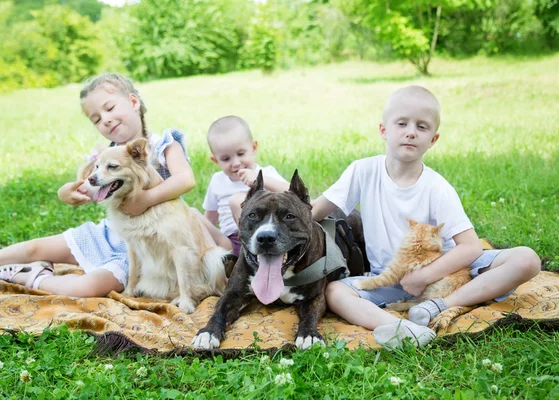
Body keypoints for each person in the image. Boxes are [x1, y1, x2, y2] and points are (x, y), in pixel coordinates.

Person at [311, 85, 541, 349]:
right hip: (392, 279)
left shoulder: (436, 187)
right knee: (335, 292)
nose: (411, 131)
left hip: (448, 270)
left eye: (422, 127)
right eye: (402, 123)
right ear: (383, 130)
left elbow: (471, 246)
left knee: (527, 260)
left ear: (433, 139)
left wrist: (424, 277)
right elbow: (316, 210)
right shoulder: (363, 171)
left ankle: (437, 307)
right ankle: (406, 329)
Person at [0, 73, 227, 297]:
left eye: (110, 108)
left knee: (86, 287)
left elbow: (185, 180)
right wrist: (66, 192)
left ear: (133, 102)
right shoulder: (104, 156)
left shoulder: (163, 144)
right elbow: (85, 187)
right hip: (110, 232)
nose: (106, 121)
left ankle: (32, 276)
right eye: (96, 119)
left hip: (148, 243)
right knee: (37, 247)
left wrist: (145, 200)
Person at [202, 116, 290, 256]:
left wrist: (262, 180)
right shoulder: (217, 181)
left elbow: (292, 192)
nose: (236, 163)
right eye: (226, 159)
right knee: (194, 216)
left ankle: (250, 256)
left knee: (237, 201)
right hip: (229, 241)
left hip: (262, 235)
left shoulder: (265, 173)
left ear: (254, 148)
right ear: (215, 160)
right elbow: (210, 218)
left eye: (241, 154)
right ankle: (228, 264)